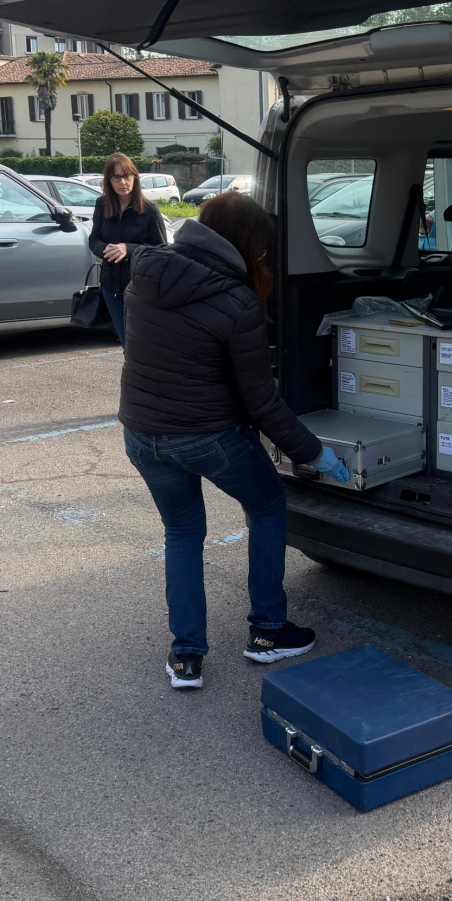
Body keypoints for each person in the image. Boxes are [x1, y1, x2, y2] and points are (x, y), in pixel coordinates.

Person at [120, 192, 349, 689]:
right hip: (207, 437)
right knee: (267, 506)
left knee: (182, 533)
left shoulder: (145, 273)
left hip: (142, 435)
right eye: (262, 252)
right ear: (248, 245)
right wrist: (316, 453)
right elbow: (261, 404)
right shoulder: (236, 300)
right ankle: (268, 631)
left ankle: (186, 658)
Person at [88, 153, 167, 345]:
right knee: (126, 342)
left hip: (140, 286)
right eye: (117, 177)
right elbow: (94, 240)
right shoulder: (102, 204)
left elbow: (163, 250)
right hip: (111, 285)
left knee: (144, 343)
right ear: (108, 180)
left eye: (127, 176)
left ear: (135, 177)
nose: (123, 182)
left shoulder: (149, 209)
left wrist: (128, 249)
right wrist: (106, 248)